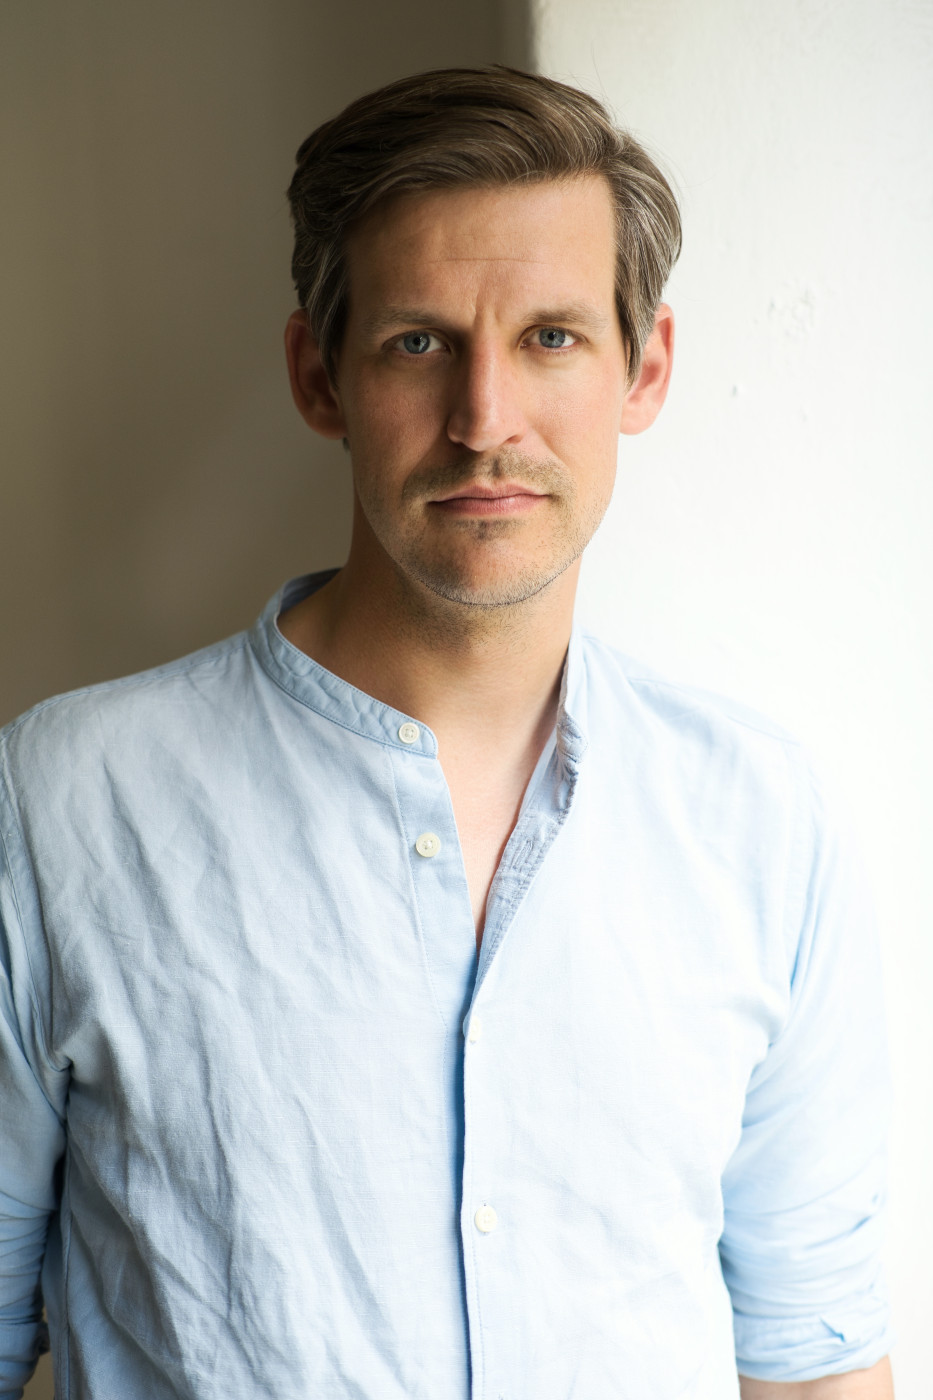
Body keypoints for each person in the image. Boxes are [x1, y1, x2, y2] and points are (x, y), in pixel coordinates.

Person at [0, 66, 895, 1400]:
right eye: (419, 343)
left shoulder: (762, 822)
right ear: (319, 377)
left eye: (551, 338)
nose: (485, 422)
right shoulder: (62, 804)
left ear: (644, 368)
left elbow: (814, 1365)